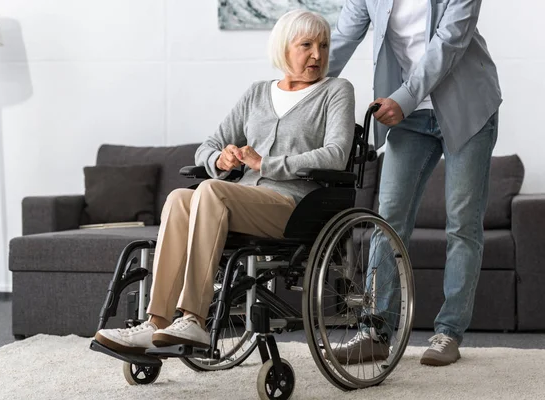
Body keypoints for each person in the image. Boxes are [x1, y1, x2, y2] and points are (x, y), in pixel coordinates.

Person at [94, 9, 356, 353]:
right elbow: (209, 146)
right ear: (283, 47)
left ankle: (193, 319)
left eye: (323, 45)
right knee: (178, 198)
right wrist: (219, 159)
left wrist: (267, 163)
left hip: (296, 207)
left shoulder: (336, 91)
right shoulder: (257, 93)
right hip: (241, 201)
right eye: (306, 44)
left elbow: (336, 153)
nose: (317, 55)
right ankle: (156, 322)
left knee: (211, 192)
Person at [328, 0, 501, 366]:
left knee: (462, 222)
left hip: (466, 104)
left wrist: (404, 99)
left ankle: (448, 332)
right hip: (408, 114)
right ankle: (375, 330)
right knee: (388, 218)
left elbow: (448, 44)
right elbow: (340, 40)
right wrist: (302, 89)